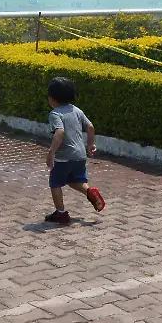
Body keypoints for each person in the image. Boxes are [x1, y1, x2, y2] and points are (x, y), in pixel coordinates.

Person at [44, 77, 106, 223]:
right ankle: (89, 191)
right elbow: (90, 127)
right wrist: (90, 145)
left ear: (52, 99)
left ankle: (61, 213)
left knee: (55, 183)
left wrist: (51, 152)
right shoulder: (77, 110)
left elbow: (59, 132)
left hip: (64, 157)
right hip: (80, 155)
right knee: (74, 180)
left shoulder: (55, 114)